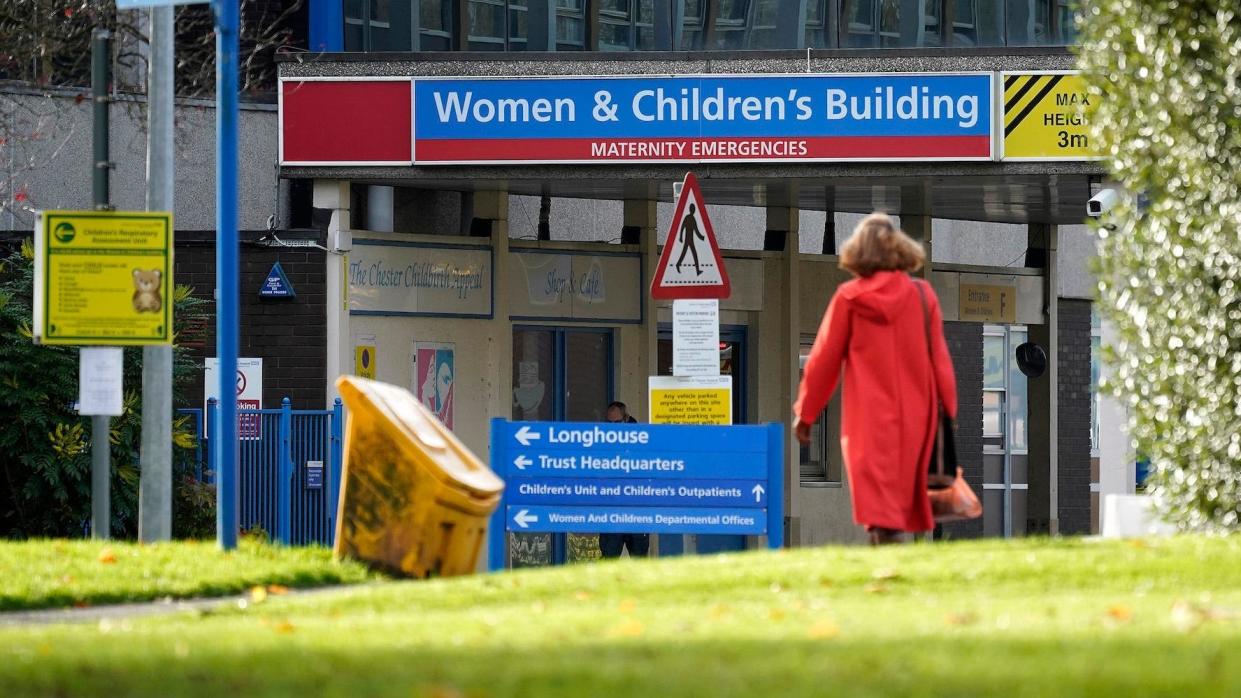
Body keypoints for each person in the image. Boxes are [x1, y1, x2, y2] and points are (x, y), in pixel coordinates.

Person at [793, 213, 957, 545]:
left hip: (867, 418)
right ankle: (890, 551)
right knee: (900, 499)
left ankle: (886, 551)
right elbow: (940, 361)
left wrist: (806, 413)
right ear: (900, 251)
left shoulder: (849, 298)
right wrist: (948, 414)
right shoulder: (923, 297)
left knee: (878, 503)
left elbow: (823, 360)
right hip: (917, 416)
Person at [599, 401, 649, 559]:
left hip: (637, 509)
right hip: (611, 510)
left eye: (617, 422)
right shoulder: (601, 442)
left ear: (626, 419)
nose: (613, 427)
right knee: (609, 558)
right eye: (609, 423)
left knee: (639, 560)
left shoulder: (642, 441)